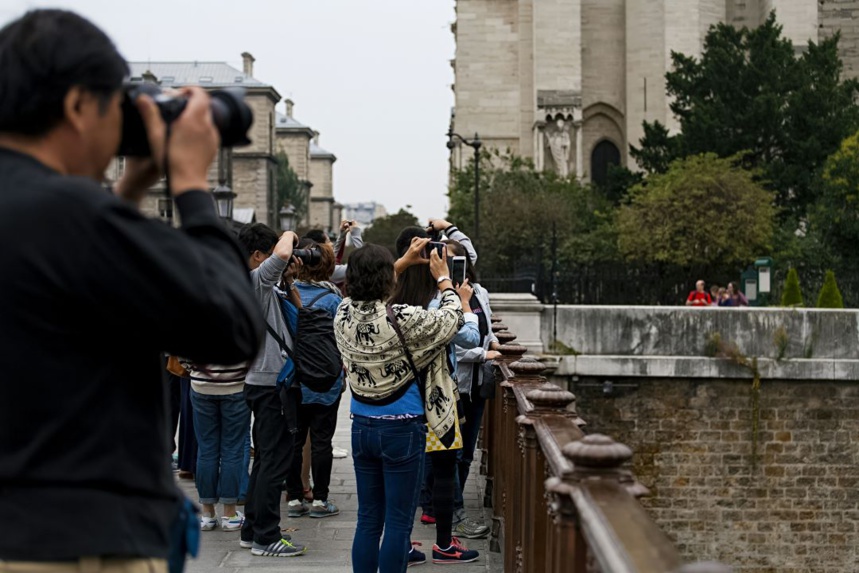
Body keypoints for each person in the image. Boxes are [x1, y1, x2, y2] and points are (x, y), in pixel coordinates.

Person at [0, 9, 264, 572]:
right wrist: (192, 184)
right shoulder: (72, 216)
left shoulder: (50, 217)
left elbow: (60, 273)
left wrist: (127, 190)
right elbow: (229, 326)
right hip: (69, 545)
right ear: (76, 106)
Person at [335, 242, 466, 572]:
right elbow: (452, 320)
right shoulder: (405, 317)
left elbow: (367, 291)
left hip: (361, 425)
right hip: (402, 427)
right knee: (397, 522)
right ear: (387, 281)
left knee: (368, 519)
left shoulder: (343, 313)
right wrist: (445, 282)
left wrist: (403, 262)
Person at [390, 226, 482, 564]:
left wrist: (401, 264)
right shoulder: (439, 301)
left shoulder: (394, 298)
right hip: (440, 397)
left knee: (405, 473)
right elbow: (469, 338)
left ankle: (402, 543)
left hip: (400, 394)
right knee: (444, 471)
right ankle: (444, 544)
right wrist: (464, 302)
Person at [236, 223, 307, 558]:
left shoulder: (261, 285)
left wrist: (289, 279)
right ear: (256, 256)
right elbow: (280, 253)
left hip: (264, 382)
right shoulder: (255, 280)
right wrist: (290, 234)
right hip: (270, 385)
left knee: (265, 460)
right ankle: (267, 536)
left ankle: (252, 531)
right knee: (275, 462)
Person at [285, 238, 343, 519]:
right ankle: (321, 499)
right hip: (326, 381)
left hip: (296, 378)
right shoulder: (334, 299)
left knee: (295, 440)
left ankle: (294, 498)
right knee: (322, 441)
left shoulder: (287, 294)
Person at [447, 239, 500, 537]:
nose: (457, 269)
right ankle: (454, 510)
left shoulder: (480, 292)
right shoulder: (442, 298)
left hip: (479, 382)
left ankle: (455, 500)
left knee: (467, 451)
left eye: (459, 262)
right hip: (457, 382)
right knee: (452, 450)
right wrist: (484, 353)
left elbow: (485, 328)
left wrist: (492, 341)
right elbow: (453, 345)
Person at [183, 358, 252, 532]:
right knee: (233, 450)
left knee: (206, 449)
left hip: (202, 383)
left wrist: (192, 367)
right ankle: (229, 514)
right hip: (237, 382)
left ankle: (207, 513)